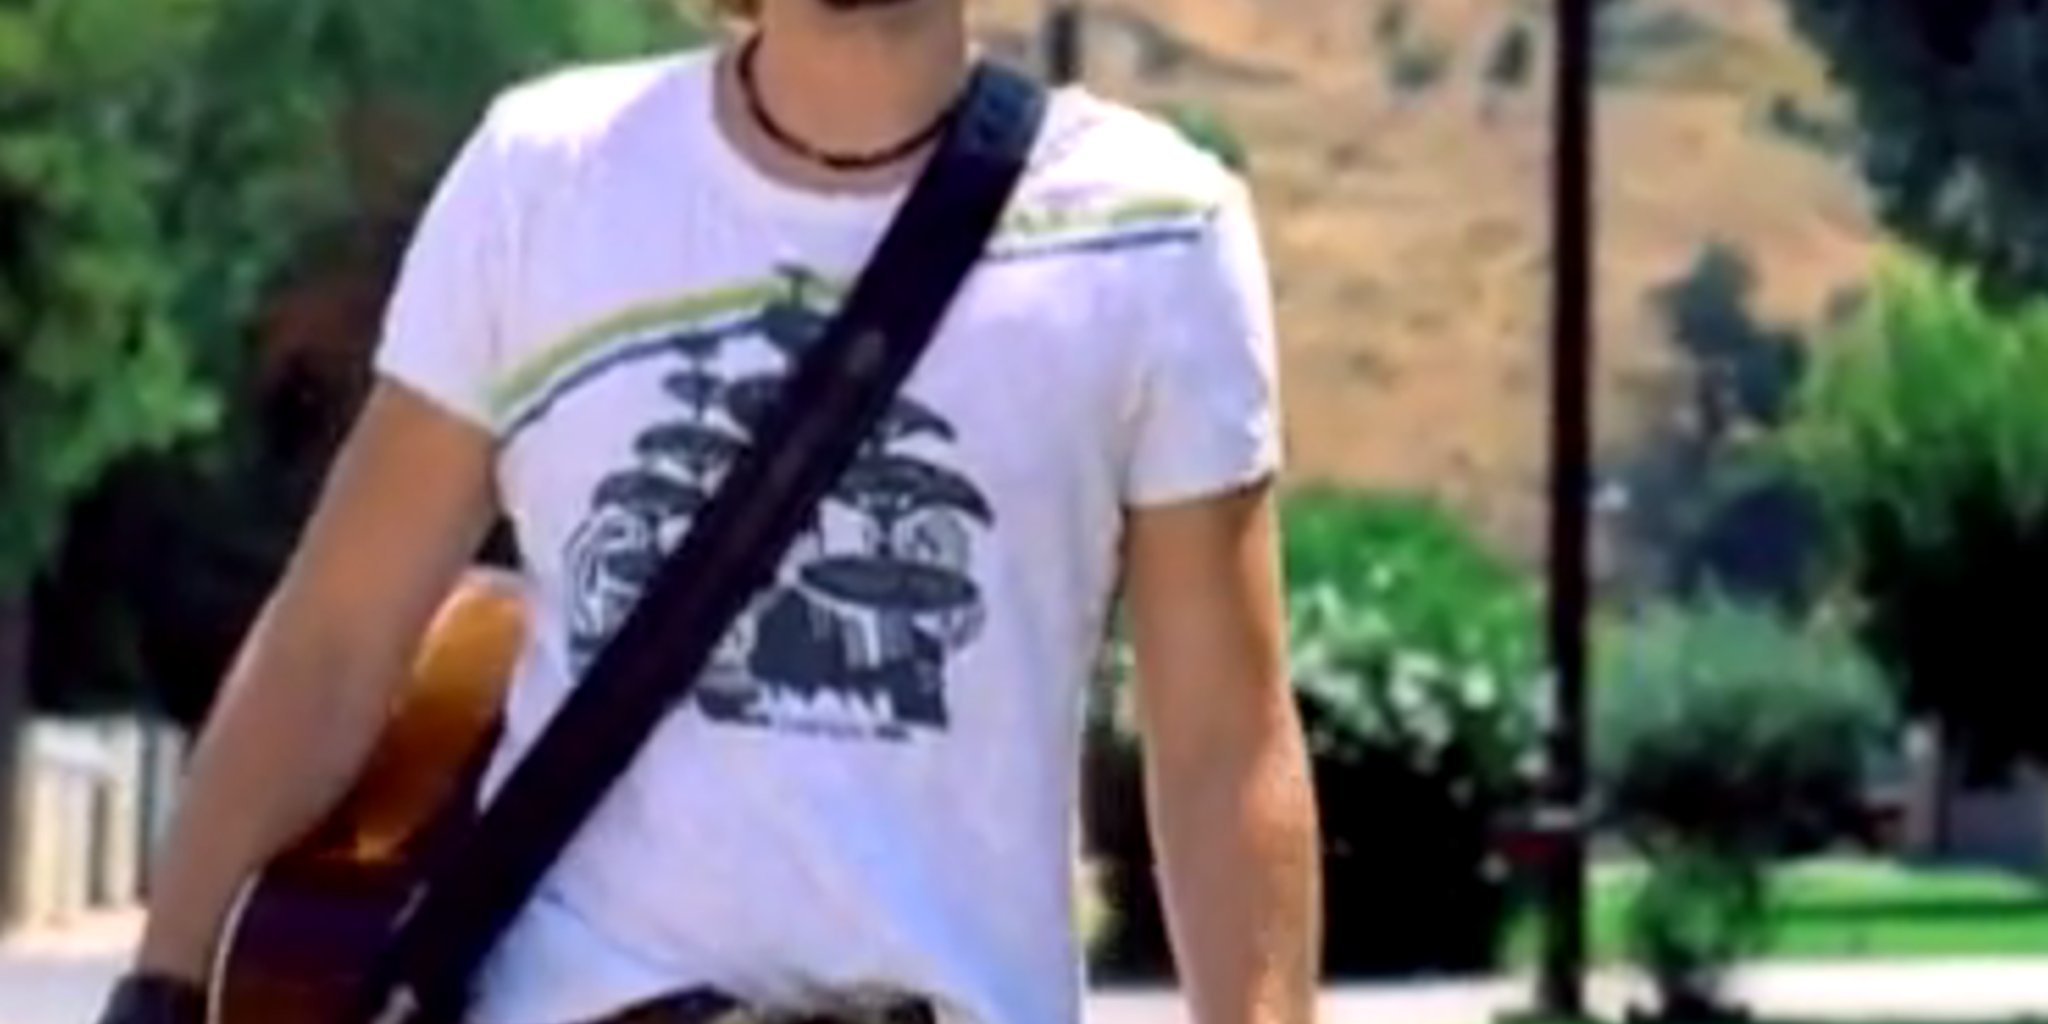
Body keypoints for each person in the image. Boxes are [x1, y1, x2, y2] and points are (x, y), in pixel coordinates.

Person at [95, 0, 1321, 1020]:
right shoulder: (544, 178)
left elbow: (1221, 741)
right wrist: (162, 984)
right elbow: (335, 638)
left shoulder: (1155, 234)